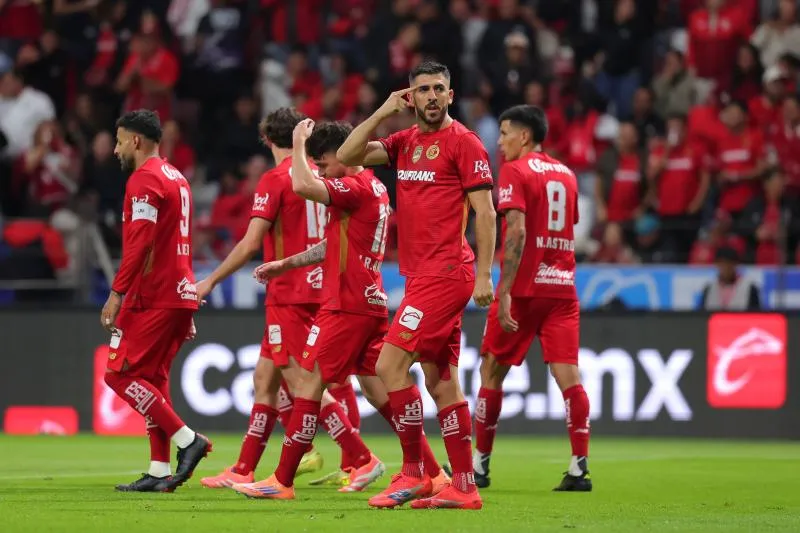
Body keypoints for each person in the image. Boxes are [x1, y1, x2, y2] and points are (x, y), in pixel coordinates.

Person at [232, 120, 451, 498]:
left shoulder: (354, 186)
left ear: (345, 153)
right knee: (380, 395)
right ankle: (434, 474)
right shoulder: (374, 188)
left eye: (324, 163)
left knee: (308, 383)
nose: (320, 171)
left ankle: (282, 480)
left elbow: (302, 186)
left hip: (345, 305)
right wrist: (287, 264)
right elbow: (332, 244)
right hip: (369, 302)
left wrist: (298, 144)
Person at [337, 61, 497, 510]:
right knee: (441, 382)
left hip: (445, 274)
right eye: (422, 89)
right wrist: (383, 111)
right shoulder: (403, 142)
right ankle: (463, 486)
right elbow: (347, 156)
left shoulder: (464, 142)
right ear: (411, 97)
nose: (431, 96)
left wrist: (486, 274)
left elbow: (486, 212)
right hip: (421, 277)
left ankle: (414, 473)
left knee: (389, 366)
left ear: (450, 95)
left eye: (438, 89)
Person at [196, 108, 374, 489]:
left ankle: (360, 458)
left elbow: (250, 243)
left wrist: (210, 280)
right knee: (265, 378)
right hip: (321, 288)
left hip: (288, 294)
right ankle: (244, 467)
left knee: (304, 383)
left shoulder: (278, 179)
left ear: (266, 139)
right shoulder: (324, 174)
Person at [468, 104, 591, 492]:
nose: (500, 142)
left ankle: (479, 466)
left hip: (524, 290)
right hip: (562, 287)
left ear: (524, 136)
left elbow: (518, 231)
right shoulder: (567, 174)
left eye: (505, 134)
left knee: (491, 370)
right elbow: (567, 228)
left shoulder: (515, 171)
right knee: (569, 376)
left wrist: (504, 289)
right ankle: (579, 468)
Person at [100, 109, 211, 493]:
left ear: (135, 140)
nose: (116, 150)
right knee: (153, 380)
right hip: (177, 292)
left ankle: (188, 440)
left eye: (119, 141)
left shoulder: (144, 179)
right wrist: (185, 299)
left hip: (152, 294)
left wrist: (117, 293)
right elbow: (178, 242)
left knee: (119, 375)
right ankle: (160, 469)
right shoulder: (176, 177)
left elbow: (141, 242)